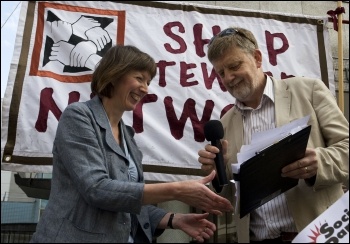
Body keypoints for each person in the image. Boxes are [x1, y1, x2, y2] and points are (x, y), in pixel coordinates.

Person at [30, 44, 233, 243]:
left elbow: (128, 200)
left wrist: (174, 219)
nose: (145, 88)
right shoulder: (78, 116)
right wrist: (177, 190)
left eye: (148, 81)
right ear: (114, 75)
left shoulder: (128, 135)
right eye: (139, 78)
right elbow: (97, 189)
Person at [198, 27, 349, 243]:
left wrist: (320, 162)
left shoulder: (309, 91)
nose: (229, 78)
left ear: (257, 58)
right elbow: (230, 199)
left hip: (317, 234)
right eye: (221, 73)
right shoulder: (224, 125)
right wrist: (216, 174)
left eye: (234, 66)